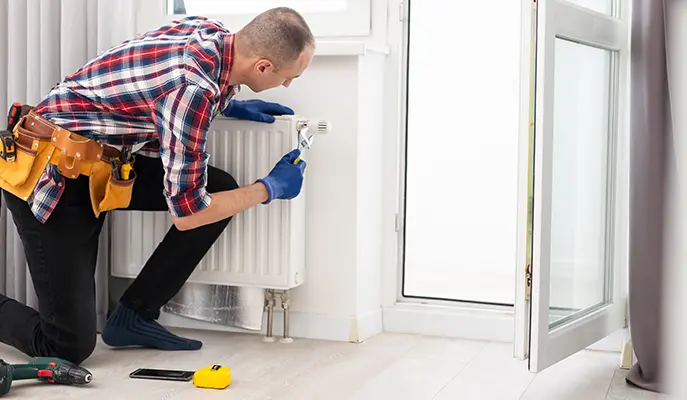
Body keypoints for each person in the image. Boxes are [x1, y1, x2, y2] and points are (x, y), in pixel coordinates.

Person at [0, 7, 315, 365]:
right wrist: (268, 188)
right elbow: (188, 213)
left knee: (219, 186)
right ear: (262, 66)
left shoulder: (207, 30)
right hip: (53, 180)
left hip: (102, 169)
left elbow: (152, 89)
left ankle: (134, 315)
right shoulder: (192, 92)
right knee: (66, 346)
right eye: (289, 76)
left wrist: (226, 104)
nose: (289, 85)